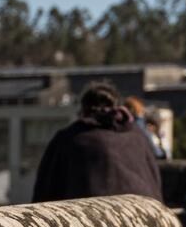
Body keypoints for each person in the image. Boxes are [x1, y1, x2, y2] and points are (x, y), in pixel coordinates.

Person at [31, 83, 164, 203]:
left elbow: (45, 191)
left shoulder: (70, 138)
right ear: (117, 107)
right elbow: (155, 181)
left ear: (83, 110)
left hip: (93, 220)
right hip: (145, 216)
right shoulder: (138, 135)